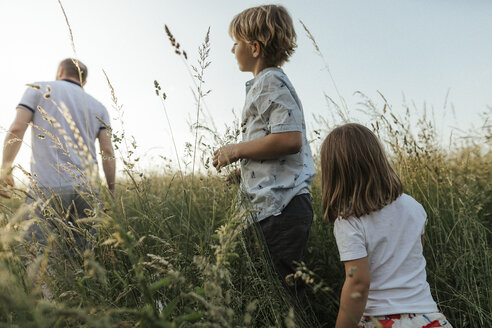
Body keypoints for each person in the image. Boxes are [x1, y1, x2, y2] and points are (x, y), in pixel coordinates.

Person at [212, 5, 316, 301]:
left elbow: (289, 139)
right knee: (273, 286)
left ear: (254, 47)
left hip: (281, 205)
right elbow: (272, 143)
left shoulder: (270, 81)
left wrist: (235, 150)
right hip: (272, 205)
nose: (232, 49)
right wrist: (244, 169)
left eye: (236, 42)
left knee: (286, 292)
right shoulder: (264, 84)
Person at [320, 123, 452, 328]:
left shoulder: (349, 220)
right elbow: (414, 255)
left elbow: (357, 283)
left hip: (382, 320)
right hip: (428, 317)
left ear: (335, 171)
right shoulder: (413, 206)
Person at [0, 58, 115, 249]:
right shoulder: (99, 107)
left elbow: (17, 129)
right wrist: (110, 190)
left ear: (60, 72)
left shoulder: (38, 89)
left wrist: (5, 168)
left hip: (48, 186)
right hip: (88, 189)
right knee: (84, 258)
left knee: (41, 254)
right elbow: (108, 151)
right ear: (84, 82)